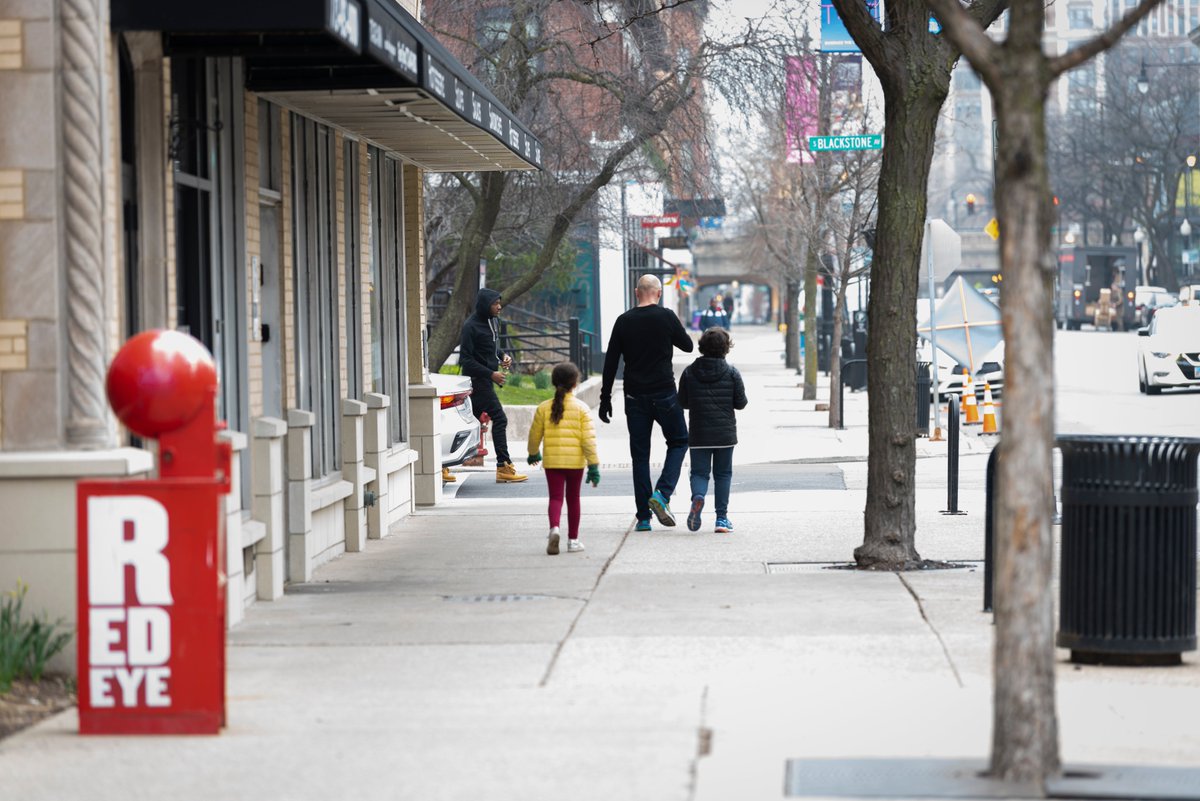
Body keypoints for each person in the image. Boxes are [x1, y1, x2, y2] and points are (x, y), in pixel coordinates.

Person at [599, 274, 694, 531]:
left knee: (640, 457)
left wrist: (605, 398)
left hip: (634, 397)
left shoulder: (623, 321)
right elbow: (687, 346)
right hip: (664, 392)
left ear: (636, 292)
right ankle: (662, 494)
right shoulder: (666, 317)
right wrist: (672, 328)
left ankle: (643, 518)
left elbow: (611, 363)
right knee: (680, 441)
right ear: (659, 294)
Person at [678, 328, 747, 533]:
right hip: (725, 434)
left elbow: (682, 402)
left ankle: (698, 496)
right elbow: (741, 403)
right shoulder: (732, 372)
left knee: (699, 473)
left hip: (699, 433)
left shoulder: (689, 372)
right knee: (723, 474)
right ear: (726, 348)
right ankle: (721, 519)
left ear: (701, 347)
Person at [527, 363, 600, 555]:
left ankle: (554, 529)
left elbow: (534, 435)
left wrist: (533, 453)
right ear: (575, 383)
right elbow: (588, 440)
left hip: (552, 462)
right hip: (575, 463)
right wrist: (593, 466)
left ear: (553, 382)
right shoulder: (582, 408)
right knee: (573, 499)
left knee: (556, 497)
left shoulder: (544, 408)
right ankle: (573, 541)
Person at [459, 288, 527, 483]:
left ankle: (440, 465)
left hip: (485, 381)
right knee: (500, 418)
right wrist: (491, 374)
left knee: (467, 423)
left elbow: (492, 347)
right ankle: (503, 466)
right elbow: (465, 359)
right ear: (484, 305)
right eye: (495, 303)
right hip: (477, 383)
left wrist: (503, 356)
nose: (499, 306)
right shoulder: (470, 326)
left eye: (500, 302)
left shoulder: (492, 322)